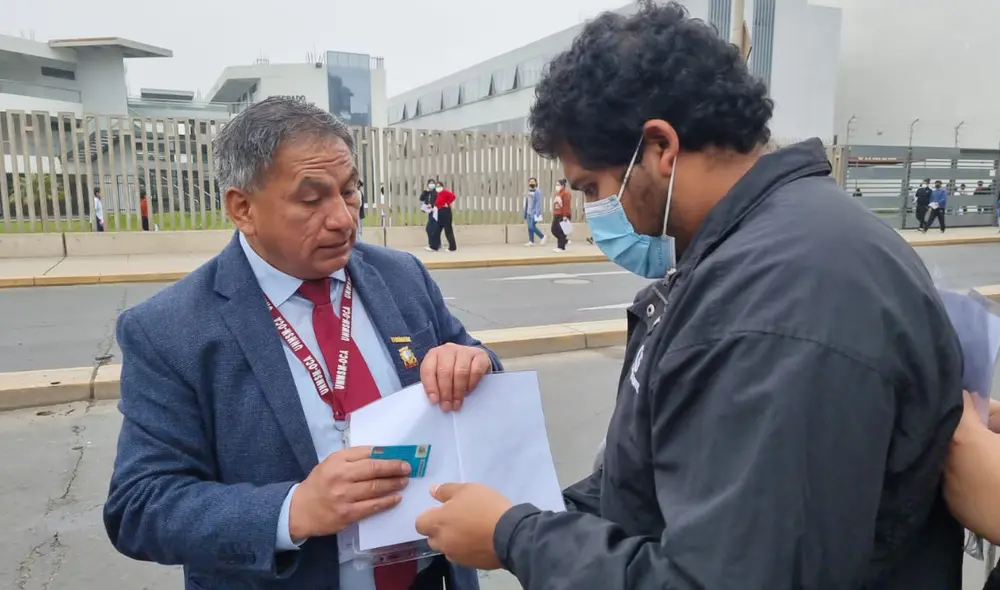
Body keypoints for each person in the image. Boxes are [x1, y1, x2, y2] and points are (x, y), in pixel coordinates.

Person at [413, 3, 964, 589]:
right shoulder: (758, 250)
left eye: (593, 187)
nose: (595, 209)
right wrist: (533, 517)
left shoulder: (776, 298)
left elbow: (723, 577)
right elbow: (656, 480)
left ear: (660, 148)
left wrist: (517, 537)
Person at [103, 97, 500, 590]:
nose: (342, 219)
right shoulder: (169, 330)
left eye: (351, 191)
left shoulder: (401, 278)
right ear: (242, 208)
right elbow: (140, 506)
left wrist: (473, 362)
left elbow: (484, 373)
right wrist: (292, 511)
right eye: (312, 200)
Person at [430, 180, 457, 252]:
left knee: (448, 230)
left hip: (446, 212)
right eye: (437, 186)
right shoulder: (439, 194)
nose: (438, 188)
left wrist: (447, 203)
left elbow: (453, 196)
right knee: (437, 230)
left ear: (442, 186)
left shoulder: (444, 192)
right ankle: (434, 246)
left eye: (439, 186)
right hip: (440, 212)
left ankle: (452, 247)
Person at [550, 179, 572, 252]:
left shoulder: (565, 194)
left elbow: (566, 205)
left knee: (561, 231)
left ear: (562, 186)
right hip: (557, 214)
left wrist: (565, 215)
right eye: (556, 185)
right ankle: (564, 240)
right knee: (553, 230)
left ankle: (561, 247)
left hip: (563, 215)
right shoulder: (557, 194)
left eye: (558, 185)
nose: (557, 186)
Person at [523, 177, 545, 246]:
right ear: (528, 183)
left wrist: (537, 212)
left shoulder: (537, 191)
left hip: (534, 212)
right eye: (530, 181)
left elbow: (538, 202)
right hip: (528, 212)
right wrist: (525, 212)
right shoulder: (528, 191)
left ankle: (543, 236)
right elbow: (527, 202)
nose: (532, 183)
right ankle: (531, 241)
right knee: (529, 228)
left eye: (533, 181)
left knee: (531, 226)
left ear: (536, 183)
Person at [419, 179, 438, 251]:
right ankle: (435, 244)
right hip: (430, 212)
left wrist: (432, 205)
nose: (431, 184)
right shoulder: (428, 193)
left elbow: (437, 200)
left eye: (433, 183)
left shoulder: (436, 192)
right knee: (432, 228)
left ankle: (433, 245)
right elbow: (421, 198)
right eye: (430, 183)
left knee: (430, 228)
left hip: (435, 212)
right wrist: (425, 191)